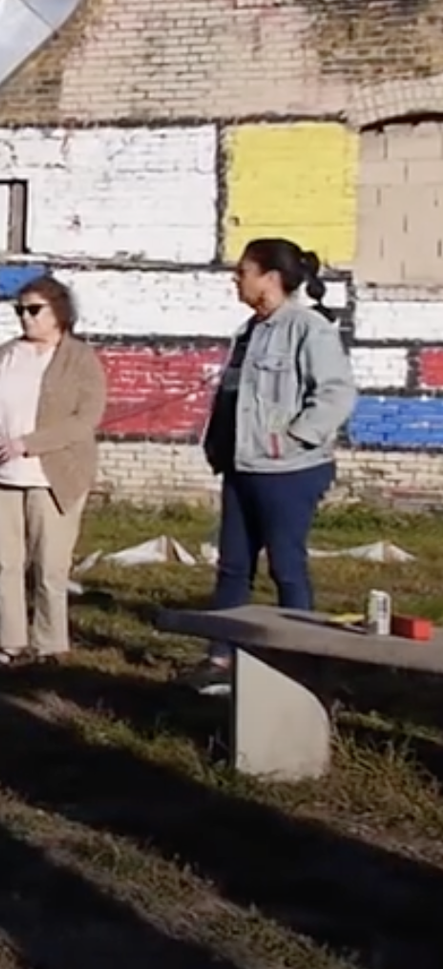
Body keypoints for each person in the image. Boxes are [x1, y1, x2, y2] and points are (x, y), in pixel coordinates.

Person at [186, 237, 358, 693]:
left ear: (271, 277)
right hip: (242, 466)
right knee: (233, 567)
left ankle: (299, 664)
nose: (235, 280)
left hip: (288, 472)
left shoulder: (307, 328)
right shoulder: (249, 331)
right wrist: (218, 443)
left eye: (243, 271)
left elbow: (337, 393)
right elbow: (233, 397)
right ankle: (221, 659)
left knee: (286, 566)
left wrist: (293, 438)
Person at [0, 273, 108, 667]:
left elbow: (85, 419)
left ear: (58, 311)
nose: (25, 317)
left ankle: (50, 645)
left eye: (34, 310)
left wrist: (27, 444)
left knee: (50, 567)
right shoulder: (4, 355)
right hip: (0, 476)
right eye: (19, 310)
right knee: (5, 563)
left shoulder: (80, 359)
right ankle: (10, 643)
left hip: (52, 477)